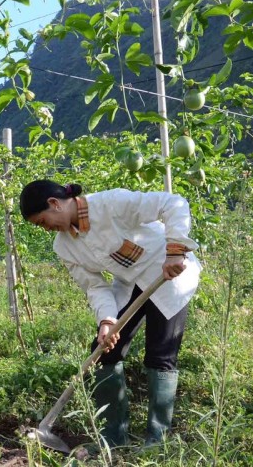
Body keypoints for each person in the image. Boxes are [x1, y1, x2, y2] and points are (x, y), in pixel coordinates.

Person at [19, 180, 200, 450]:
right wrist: (106, 320)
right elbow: (94, 286)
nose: (46, 229)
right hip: (129, 285)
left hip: (169, 276)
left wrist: (175, 250)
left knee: (160, 355)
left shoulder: (110, 203)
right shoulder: (64, 246)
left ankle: (157, 440)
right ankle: (114, 437)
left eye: (43, 222)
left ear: (54, 204)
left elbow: (172, 203)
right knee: (104, 350)